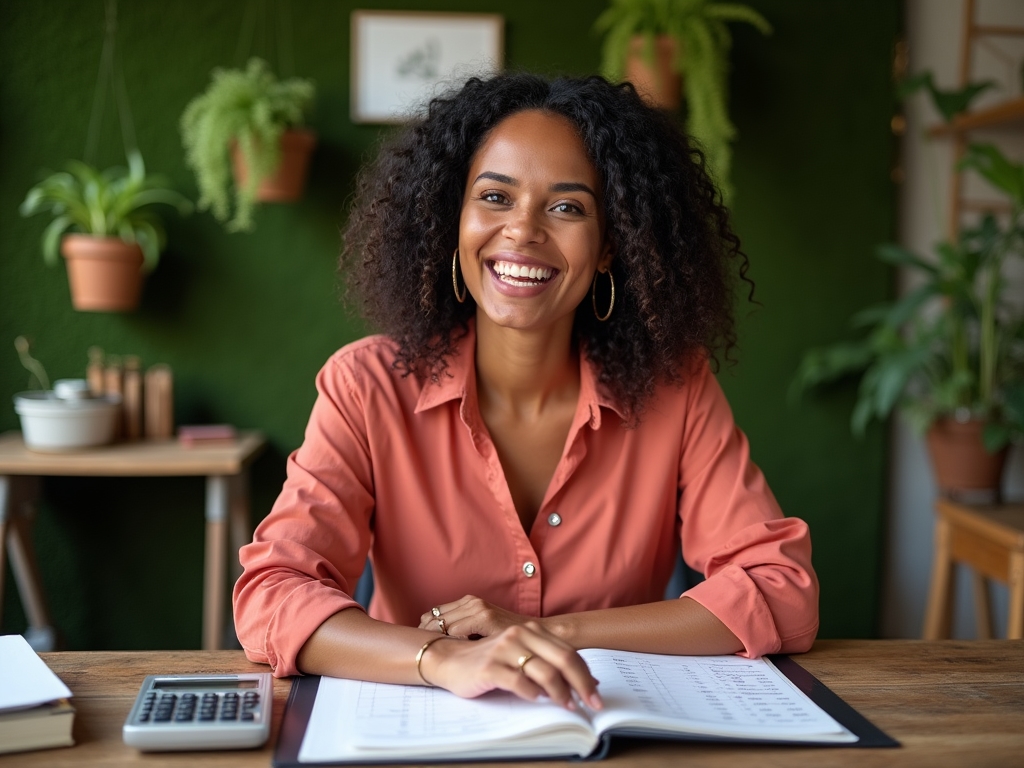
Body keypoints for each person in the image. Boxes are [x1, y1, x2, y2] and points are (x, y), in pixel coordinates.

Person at [233, 73, 818, 712]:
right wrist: (444, 659)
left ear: (608, 249)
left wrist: (549, 634)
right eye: (494, 197)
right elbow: (272, 592)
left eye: (567, 207)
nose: (523, 231)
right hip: (415, 727)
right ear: (450, 221)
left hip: (606, 732)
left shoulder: (674, 389)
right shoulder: (366, 386)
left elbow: (782, 590)